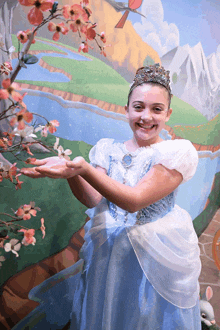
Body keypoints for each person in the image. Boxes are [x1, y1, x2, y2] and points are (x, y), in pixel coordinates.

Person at [21, 63, 202, 330]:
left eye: (157, 109)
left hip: (151, 256)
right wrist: (71, 171)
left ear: (168, 114)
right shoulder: (108, 149)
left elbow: (134, 200)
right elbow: (95, 199)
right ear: (126, 109)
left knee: (142, 316)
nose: (146, 117)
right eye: (138, 107)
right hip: (110, 253)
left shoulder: (176, 153)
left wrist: (82, 168)